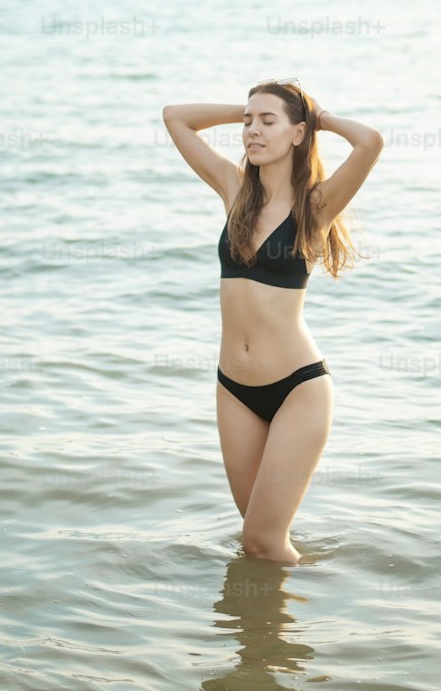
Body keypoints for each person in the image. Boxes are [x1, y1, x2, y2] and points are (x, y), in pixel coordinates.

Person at [162, 78, 384, 565]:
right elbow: (176, 116)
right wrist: (245, 108)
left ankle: (305, 631)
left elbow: (369, 142)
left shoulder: (316, 206)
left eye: (267, 122)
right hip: (234, 389)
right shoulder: (235, 190)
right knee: (257, 541)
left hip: (297, 388)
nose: (251, 132)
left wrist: (319, 116)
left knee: (263, 540)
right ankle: (263, 637)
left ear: (298, 134)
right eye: (247, 122)